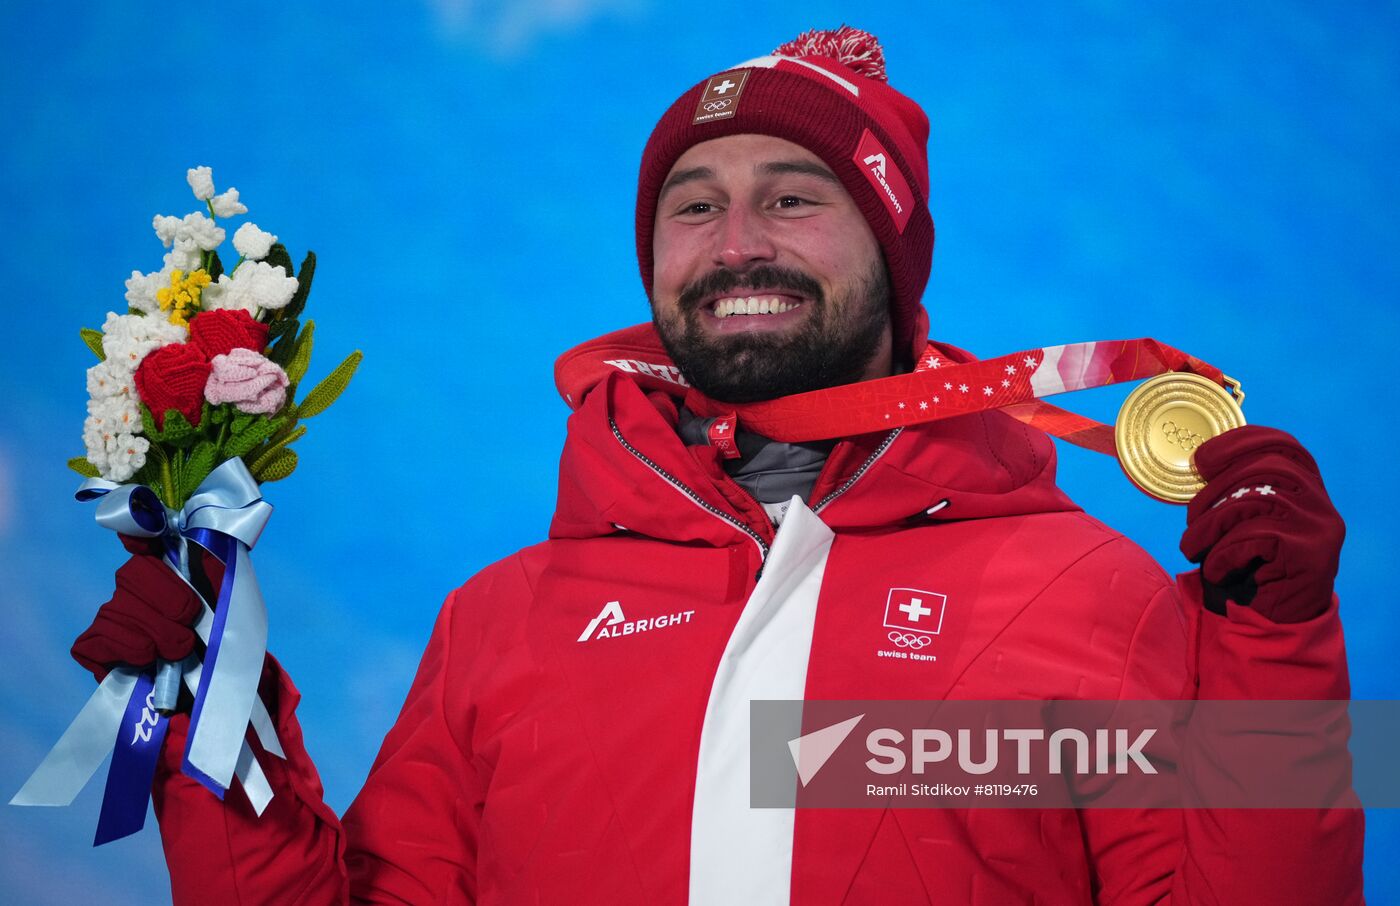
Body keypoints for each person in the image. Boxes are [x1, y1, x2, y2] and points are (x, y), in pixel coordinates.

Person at [72, 26, 1363, 905]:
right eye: (694, 204)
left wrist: (1281, 652)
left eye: (796, 195)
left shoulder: (1095, 594)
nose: (737, 240)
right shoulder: (500, 622)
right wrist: (213, 728)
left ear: (894, 256)